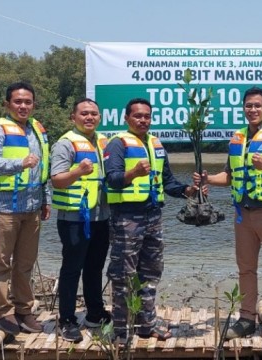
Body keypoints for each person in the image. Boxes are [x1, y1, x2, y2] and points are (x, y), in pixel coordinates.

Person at [195, 87, 262, 339]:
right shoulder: (237, 138)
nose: (252, 110)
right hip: (243, 215)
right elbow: (230, 176)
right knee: (245, 268)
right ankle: (246, 319)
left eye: (257, 105)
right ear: (243, 108)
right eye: (248, 106)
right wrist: (207, 179)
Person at [104, 98, 198, 341]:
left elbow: (168, 182)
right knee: (123, 275)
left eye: (147, 116)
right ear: (126, 118)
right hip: (127, 218)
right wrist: (133, 172)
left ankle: (147, 325)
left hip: (153, 217)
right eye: (137, 116)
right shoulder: (117, 144)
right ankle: (121, 331)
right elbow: (112, 179)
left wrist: (187, 190)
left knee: (151, 272)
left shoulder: (156, 144)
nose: (143, 120)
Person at [0, 81, 51, 335]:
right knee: (1, 262)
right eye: (18, 101)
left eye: (28, 102)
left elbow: (43, 168)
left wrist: (46, 199)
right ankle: (3, 313)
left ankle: (24, 310)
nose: (23, 106)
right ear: (7, 104)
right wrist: (19, 163)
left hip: (32, 205)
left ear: (33, 104)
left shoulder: (37, 129)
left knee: (25, 263)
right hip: (2, 206)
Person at [50, 98, 111, 343]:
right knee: (72, 269)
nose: (89, 117)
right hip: (74, 217)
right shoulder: (65, 144)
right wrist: (77, 171)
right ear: (73, 118)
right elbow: (57, 180)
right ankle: (66, 320)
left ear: (99, 117)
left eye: (94, 114)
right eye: (84, 114)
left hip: (101, 216)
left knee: (95, 267)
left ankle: (95, 313)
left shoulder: (104, 141)